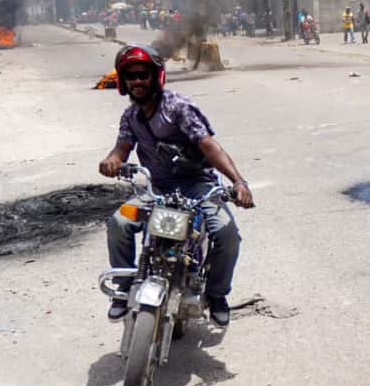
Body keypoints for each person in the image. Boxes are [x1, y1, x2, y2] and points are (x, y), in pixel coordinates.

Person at [98, 45, 255, 326]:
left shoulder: (178, 107)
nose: (137, 81)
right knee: (118, 224)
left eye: (143, 75)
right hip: (156, 189)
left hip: (197, 186)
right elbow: (121, 148)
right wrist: (111, 160)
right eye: (131, 76)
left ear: (155, 77)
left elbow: (209, 146)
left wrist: (239, 182)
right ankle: (122, 290)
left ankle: (217, 294)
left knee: (227, 234)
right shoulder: (130, 117)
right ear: (123, 81)